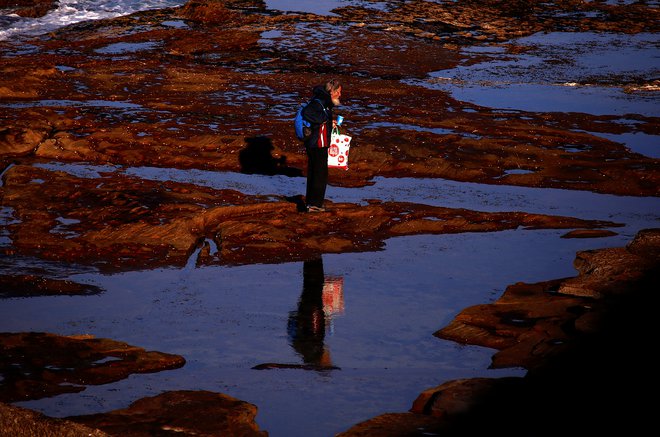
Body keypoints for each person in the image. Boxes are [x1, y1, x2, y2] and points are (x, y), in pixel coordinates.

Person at [301, 79, 342, 212]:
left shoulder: (323, 101)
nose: (340, 95)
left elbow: (318, 118)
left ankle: (311, 203)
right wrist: (325, 119)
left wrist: (330, 122)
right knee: (320, 174)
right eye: (339, 92)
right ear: (332, 91)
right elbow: (308, 113)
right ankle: (315, 205)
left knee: (314, 173)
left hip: (315, 142)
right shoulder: (321, 101)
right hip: (318, 142)